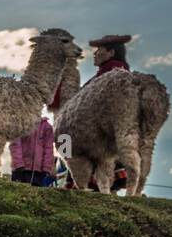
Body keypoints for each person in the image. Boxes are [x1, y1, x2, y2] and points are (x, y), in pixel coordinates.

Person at [54, 34, 133, 191]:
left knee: (71, 147)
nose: (95, 54)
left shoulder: (113, 72)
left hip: (95, 131)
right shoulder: (104, 73)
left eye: (99, 50)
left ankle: (78, 183)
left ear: (111, 53)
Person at [11, 116, 56, 186]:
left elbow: (49, 148)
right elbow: (15, 144)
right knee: (18, 193)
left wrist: (46, 168)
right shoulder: (19, 123)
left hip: (39, 172)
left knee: (37, 194)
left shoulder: (47, 127)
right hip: (20, 170)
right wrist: (18, 164)